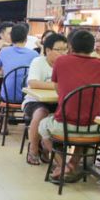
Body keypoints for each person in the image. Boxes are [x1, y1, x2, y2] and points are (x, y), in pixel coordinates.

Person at [39, 30, 100, 182]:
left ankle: (63, 164)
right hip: (95, 128)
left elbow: (58, 89)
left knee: (43, 125)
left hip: (65, 126)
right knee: (84, 128)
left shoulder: (61, 62)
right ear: (93, 48)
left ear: (70, 46)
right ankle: (73, 164)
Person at [21, 33, 68, 165]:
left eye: (65, 49)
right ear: (47, 50)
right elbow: (33, 83)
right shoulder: (38, 62)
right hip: (35, 101)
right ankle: (33, 149)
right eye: (59, 49)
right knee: (41, 113)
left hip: (59, 102)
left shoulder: (66, 64)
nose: (63, 53)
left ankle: (50, 147)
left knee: (70, 115)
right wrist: (58, 86)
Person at [0, 24, 38, 125]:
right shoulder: (34, 54)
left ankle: (6, 119)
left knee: (10, 87)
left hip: (7, 90)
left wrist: (7, 71)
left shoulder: (6, 51)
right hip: (23, 94)